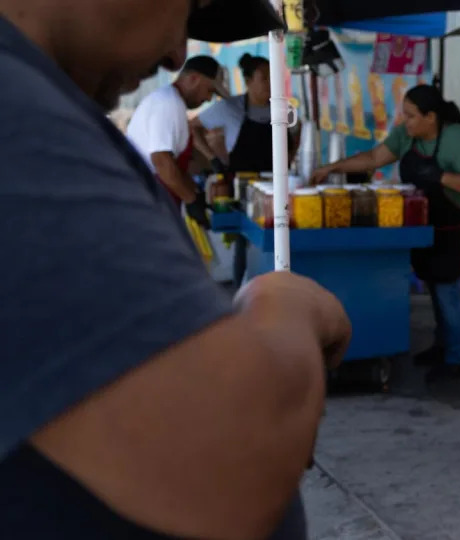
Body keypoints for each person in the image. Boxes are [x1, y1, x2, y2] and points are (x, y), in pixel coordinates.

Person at [0, 1, 352, 539]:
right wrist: (286, 302)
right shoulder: (15, 111)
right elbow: (230, 458)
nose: (175, 54)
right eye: (186, 10)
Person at [311, 84, 460, 381]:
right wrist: (331, 168)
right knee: (434, 283)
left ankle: (458, 359)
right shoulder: (407, 137)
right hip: (429, 220)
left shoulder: (457, 139)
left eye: (410, 116)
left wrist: (441, 176)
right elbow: (372, 159)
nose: (404, 121)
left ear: (430, 117)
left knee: (448, 287)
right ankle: (442, 345)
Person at [193, 53, 299, 285]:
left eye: (275, 77)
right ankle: (243, 292)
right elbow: (193, 127)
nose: (272, 84)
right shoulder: (230, 108)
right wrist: (212, 158)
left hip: (277, 188)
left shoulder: (285, 109)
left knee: (280, 238)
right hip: (243, 189)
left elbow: (295, 134)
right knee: (245, 240)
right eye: (265, 78)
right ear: (249, 81)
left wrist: (290, 159)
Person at [127, 54, 228, 227]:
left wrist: (195, 191)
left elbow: (177, 163)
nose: (209, 99)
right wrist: (191, 200)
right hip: (146, 204)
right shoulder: (168, 104)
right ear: (193, 79)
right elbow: (162, 161)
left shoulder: (174, 103)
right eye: (209, 90)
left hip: (156, 203)